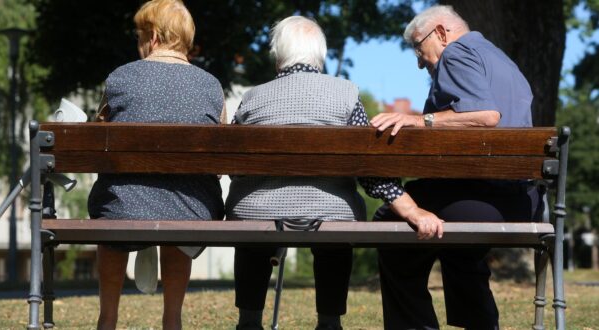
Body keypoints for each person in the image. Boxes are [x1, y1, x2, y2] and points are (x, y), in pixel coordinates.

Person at [225, 15, 442, 330]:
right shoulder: (345, 94)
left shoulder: (252, 97)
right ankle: (329, 322)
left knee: (252, 223)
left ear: (278, 54)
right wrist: (408, 207)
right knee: (335, 229)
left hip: (256, 210)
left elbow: (233, 166)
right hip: (330, 212)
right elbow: (367, 167)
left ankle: (249, 321)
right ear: (320, 54)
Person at [369, 5, 542, 330]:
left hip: (483, 200)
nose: (419, 62)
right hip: (523, 201)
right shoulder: (502, 60)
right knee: (458, 244)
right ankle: (481, 325)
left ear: (441, 32)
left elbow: (486, 116)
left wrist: (419, 120)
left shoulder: (457, 53)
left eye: (418, 49)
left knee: (390, 220)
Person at [87, 1, 225, 329]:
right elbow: (218, 163)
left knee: (115, 206)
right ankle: (172, 319)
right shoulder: (211, 86)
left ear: (153, 37)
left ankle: (107, 318)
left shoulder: (119, 78)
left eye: (139, 36)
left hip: (121, 207)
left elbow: (98, 144)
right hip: (193, 210)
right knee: (183, 198)